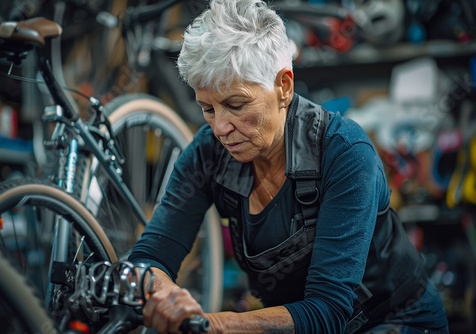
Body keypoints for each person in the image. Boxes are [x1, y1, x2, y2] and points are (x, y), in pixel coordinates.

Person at [128, 0, 449, 333]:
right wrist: (165, 297)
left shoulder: (344, 152)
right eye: (208, 109)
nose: (220, 127)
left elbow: (327, 312)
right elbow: (150, 256)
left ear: (284, 86)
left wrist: (213, 325)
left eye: (235, 105)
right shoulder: (207, 153)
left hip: (395, 320)